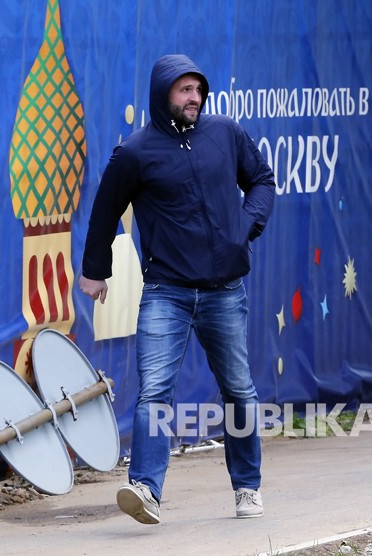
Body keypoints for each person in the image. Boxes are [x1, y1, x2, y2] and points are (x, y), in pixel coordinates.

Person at [79, 54, 276, 524]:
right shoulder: (136, 153)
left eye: (198, 90)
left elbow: (262, 180)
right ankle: (146, 489)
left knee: (239, 391)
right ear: (162, 94)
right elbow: (105, 212)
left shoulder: (225, 133)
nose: (194, 98)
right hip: (167, 292)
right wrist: (95, 269)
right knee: (155, 394)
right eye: (183, 90)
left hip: (225, 291)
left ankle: (247, 489)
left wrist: (244, 227)